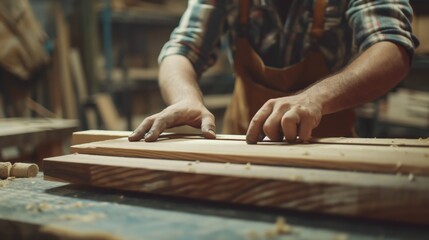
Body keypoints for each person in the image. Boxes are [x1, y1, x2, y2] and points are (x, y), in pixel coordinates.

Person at [128, 0, 418, 144]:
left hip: (326, 148)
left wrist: (314, 99)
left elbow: (392, 47)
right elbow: (181, 48)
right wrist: (185, 98)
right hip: (240, 148)